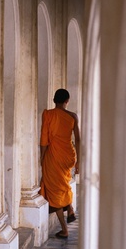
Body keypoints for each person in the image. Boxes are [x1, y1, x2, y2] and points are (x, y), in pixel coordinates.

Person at [39, 88, 80, 239]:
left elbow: (44, 139)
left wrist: (42, 157)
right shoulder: (73, 116)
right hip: (68, 156)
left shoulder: (49, 115)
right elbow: (78, 140)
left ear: (54, 100)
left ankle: (64, 229)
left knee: (55, 191)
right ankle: (69, 209)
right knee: (62, 184)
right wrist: (79, 161)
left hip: (54, 156)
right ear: (67, 101)